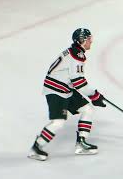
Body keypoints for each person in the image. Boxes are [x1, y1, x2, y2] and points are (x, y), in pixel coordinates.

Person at [28, 28, 106, 161]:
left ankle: (81, 144)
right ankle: (36, 147)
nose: (90, 42)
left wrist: (94, 96)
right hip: (56, 91)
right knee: (58, 122)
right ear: (81, 41)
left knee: (87, 109)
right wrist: (95, 96)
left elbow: (75, 81)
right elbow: (79, 82)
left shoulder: (75, 52)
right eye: (88, 39)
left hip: (64, 88)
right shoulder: (76, 56)